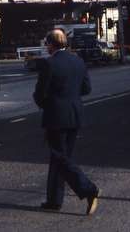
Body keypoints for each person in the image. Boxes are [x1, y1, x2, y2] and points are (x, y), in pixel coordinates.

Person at [33, 29, 101, 215]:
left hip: (56, 116)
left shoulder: (49, 64)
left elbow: (40, 93)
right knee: (61, 158)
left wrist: (42, 103)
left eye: (47, 43)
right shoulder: (78, 62)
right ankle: (54, 200)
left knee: (59, 157)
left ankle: (88, 188)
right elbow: (86, 88)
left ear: (51, 44)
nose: (47, 46)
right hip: (75, 115)